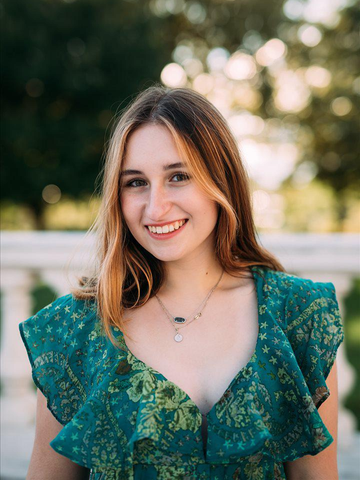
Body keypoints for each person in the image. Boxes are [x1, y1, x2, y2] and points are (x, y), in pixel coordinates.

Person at [19, 85, 344, 480]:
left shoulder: (299, 316)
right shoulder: (73, 330)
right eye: (135, 182)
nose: (156, 207)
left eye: (178, 176)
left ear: (220, 181)